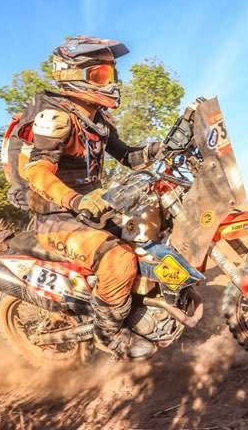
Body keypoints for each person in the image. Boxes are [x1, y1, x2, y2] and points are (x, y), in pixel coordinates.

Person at [23, 36, 161, 360]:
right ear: (73, 75)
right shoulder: (55, 118)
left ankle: (141, 309)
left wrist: (162, 149)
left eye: (112, 75)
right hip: (58, 218)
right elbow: (38, 172)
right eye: (101, 76)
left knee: (150, 230)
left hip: (90, 212)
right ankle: (109, 335)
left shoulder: (97, 120)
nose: (110, 83)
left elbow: (128, 156)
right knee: (120, 258)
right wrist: (76, 201)